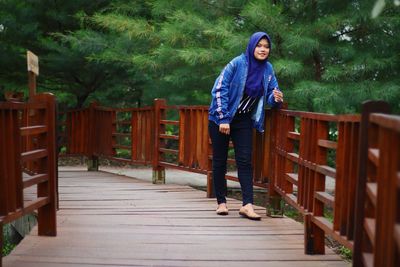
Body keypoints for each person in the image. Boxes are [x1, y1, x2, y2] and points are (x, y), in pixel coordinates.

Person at [208, 32, 284, 220]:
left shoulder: (268, 69)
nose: (263, 49)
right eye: (259, 45)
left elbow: (271, 94)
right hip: (220, 117)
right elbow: (219, 88)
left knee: (245, 160)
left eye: (266, 46)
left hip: (243, 119)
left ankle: (247, 205)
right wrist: (224, 117)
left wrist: (276, 99)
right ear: (252, 46)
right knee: (220, 161)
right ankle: (221, 203)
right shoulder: (238, 63)